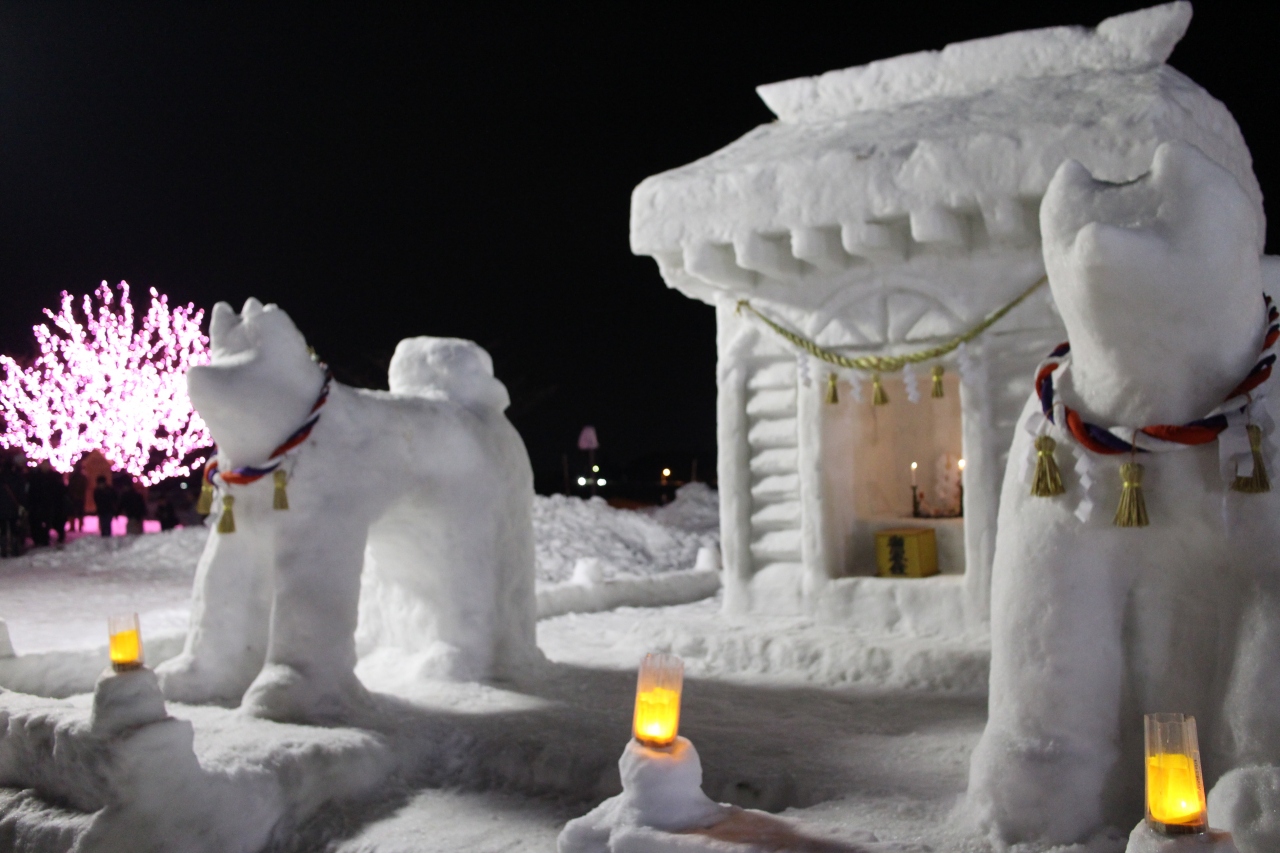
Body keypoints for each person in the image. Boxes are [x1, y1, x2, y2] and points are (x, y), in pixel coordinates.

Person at [0, 457, 24, 557]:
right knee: (14, 529)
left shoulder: (1, 478)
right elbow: (21, 493)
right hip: (14, 508)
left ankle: (4, 549)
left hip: (1, 508)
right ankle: (15, 549)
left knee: (4, 530)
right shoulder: (17, 477)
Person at [67, 461, 88, 532]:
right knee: (76, 512)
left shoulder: (76, 477)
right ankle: (76, 526)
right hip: (76, 497)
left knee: (77, 512)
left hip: (77, 497)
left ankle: (76, 526)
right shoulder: (79, 477)